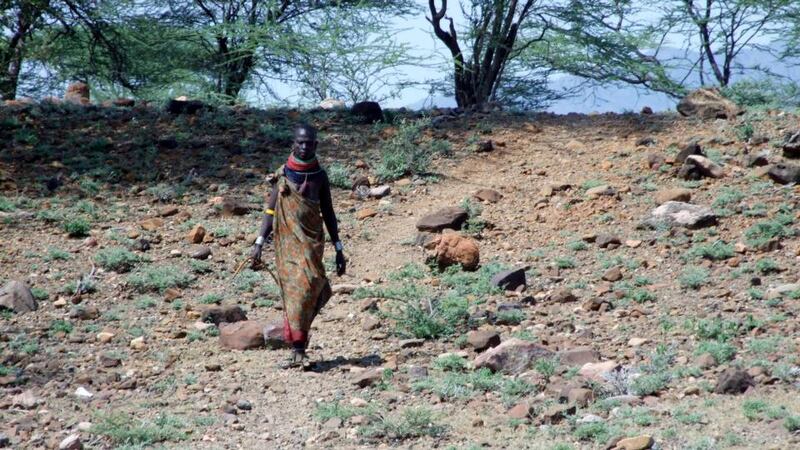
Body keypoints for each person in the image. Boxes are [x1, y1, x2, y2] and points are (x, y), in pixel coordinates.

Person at [250, 124, 347, 368]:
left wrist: (338, 247)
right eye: (300, 142)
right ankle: (298, 349)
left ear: (316, 145)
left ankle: (298, 345)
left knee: (312, 287)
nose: (304, 146)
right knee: (295, 295)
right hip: (287, 245)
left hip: (312, 243)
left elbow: (329, 212)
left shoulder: (320, 176)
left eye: (309, 143)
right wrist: (259, 242)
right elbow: (270, 210)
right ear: (293, 143)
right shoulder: (282, 174)